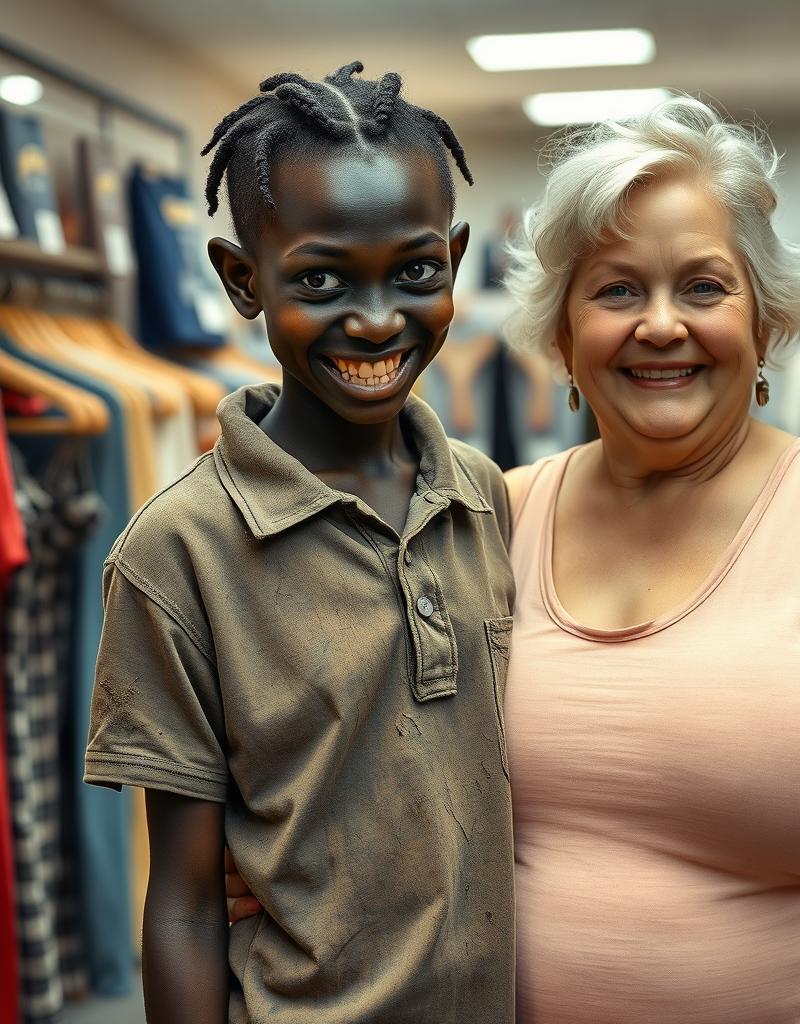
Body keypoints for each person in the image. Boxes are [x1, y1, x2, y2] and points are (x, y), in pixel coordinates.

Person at [228, 95, 800, 1023]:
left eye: (703, 287)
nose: (660, 325)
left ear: (764, 321)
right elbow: (381, 770)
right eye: (617, 290)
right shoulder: (492, 515)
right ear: (563, 338)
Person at [83, 63, 516, 1024]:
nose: (374, 318)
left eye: (416, 272)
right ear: (243, 280)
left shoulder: (481, 496)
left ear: (455, 259)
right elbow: (188, 905)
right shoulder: (180, 552)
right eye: (319, 280)